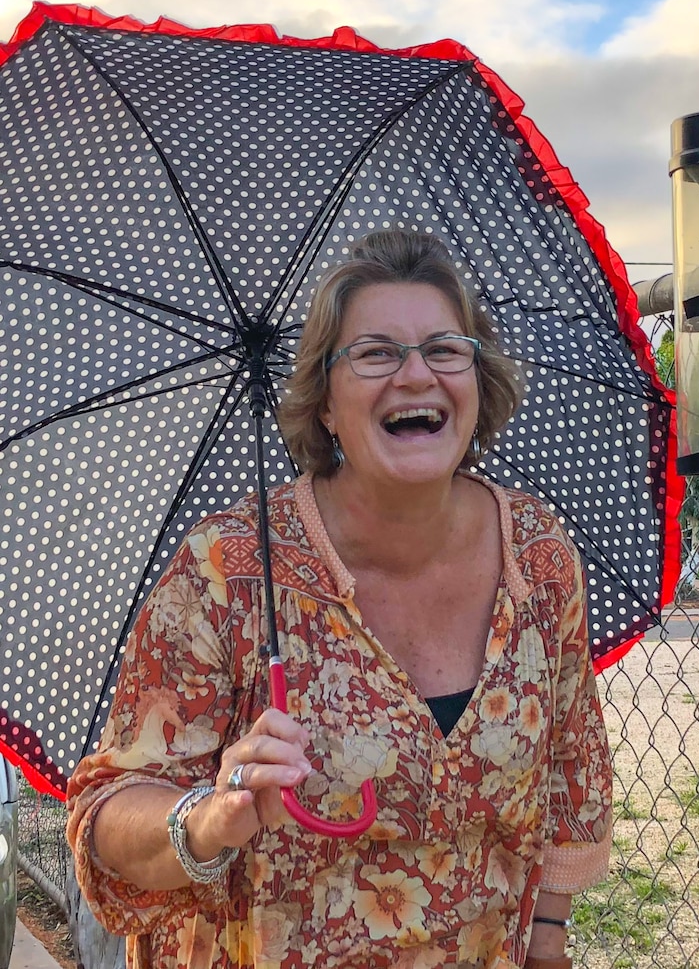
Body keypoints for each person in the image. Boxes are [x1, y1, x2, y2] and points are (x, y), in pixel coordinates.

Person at [67, 229, 613, 969]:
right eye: (376, 352)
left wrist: (547, 941)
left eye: (446, 348)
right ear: (325, 404)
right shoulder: (227, 570)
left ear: (477, 382)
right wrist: (207, 816)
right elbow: (106, 819)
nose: (416, 373)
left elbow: (569, 771)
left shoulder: (539, 557)